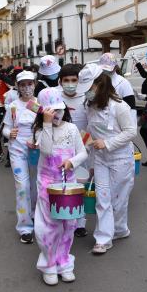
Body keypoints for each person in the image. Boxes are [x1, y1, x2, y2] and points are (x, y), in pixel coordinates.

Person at [33, 87, 88, 286]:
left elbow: (83, 153)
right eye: (52, 111)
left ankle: (64, 262)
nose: (57, 114)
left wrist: (72, 162)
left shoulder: (72, 129)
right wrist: (47, 124)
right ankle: (48, 264)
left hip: (69, 184)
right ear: (44, 112)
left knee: (69, 224)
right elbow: (47, 151)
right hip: (48, 185)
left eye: (60, 109)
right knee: (49, 226)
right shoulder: (41, 130)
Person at [82, 66, 137, 255]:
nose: (86, 92)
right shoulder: (89, 106)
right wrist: (88, 161)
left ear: (99, 85)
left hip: (121, 158)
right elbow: (89, 133)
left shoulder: (120, 107)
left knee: (119, 200)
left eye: (89, 87)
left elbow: (131, 132)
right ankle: (103, 238)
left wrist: (108, 143)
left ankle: (120, 229)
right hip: (100, 159)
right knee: (103, 198)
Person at [2, 71, 38, 244]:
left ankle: (38, 217)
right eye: (22, 85)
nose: (26, 88)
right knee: (22, 186)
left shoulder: (40, 103)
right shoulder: (13, 106)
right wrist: (10, 133)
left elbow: (50, 124)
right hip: (17, 150)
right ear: (18, 86)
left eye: (29, 84)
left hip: (37, 150)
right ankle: (25, 227)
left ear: (35, 84)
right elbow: (5, 128)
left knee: (37, 185)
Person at [59, 63, 88, 238]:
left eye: (74, 80)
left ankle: (80, 222)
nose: (70, 83)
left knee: (81, 185)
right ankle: (65, 218)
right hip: (61, 150)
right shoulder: (55, 97)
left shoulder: (86, 97)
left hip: (84, 149)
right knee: (65, 185)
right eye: (66, 80)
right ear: (60, 82)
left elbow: (93, 121)